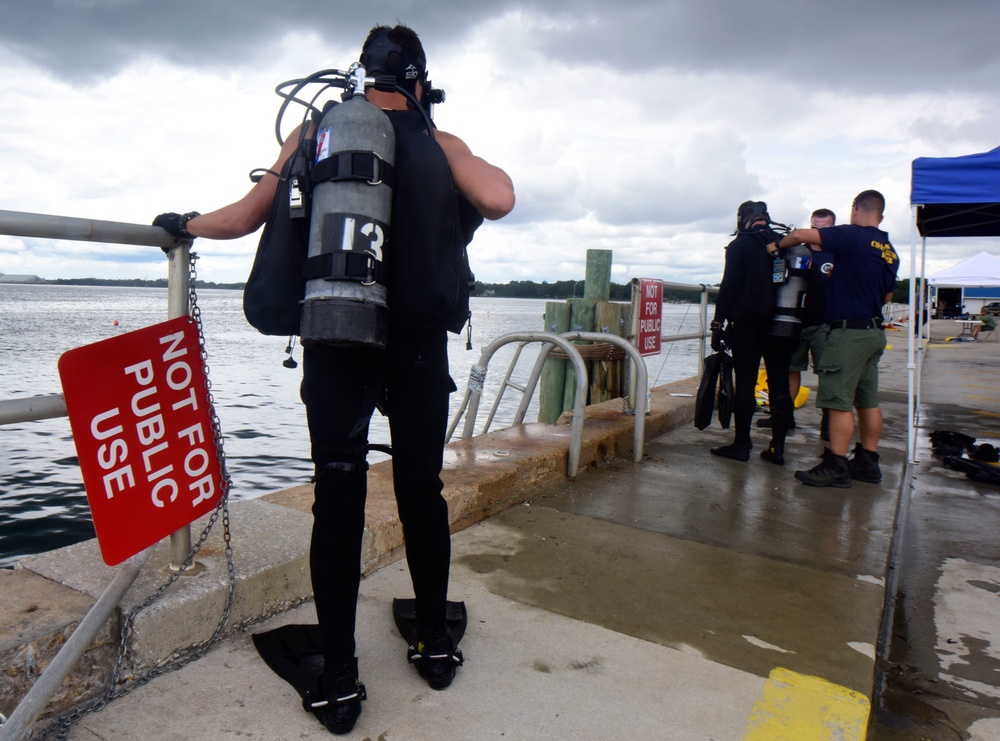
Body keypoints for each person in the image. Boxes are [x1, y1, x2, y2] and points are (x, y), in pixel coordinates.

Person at [154, 24, 514, 735]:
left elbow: (246, 214)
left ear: (358, 75)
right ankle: (435, 644)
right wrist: (438, 143)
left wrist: (183, 222)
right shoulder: (442, 144)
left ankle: (341, 679)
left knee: (338, 498)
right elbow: (499, 198)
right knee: (421, 490)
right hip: (415, 346)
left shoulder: (317, 136)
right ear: (418, 79)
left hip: (336, 339)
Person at [769, 190, 899, 488]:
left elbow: (801, 235)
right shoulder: (889, 249)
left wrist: (775, 246)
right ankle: (868, 462)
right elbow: (888, 294)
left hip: (848, 333)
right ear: (881, 214)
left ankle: (836, 464)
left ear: (855, 210)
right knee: (867, 401)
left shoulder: (854, 235)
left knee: (838, 401)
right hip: (873, 331)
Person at [709, 201, 798, 465]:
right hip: (783, 324)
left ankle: (741, 444)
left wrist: (717, 324)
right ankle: (777, 450)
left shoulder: (740, 245)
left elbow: (729, 286)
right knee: (779, 383)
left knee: (746, 382)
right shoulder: (783, 242)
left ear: (741, 219)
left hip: (747, 324)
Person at [757, 208, 835, 439]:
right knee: (790, 369)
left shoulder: (837, 254)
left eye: (824, 229)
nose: (818, 232)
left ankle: (829, 422)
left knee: (827, 373)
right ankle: (784, 416)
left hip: (824, 323)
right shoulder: (799, 251)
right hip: (796, 323)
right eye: (815, 227)